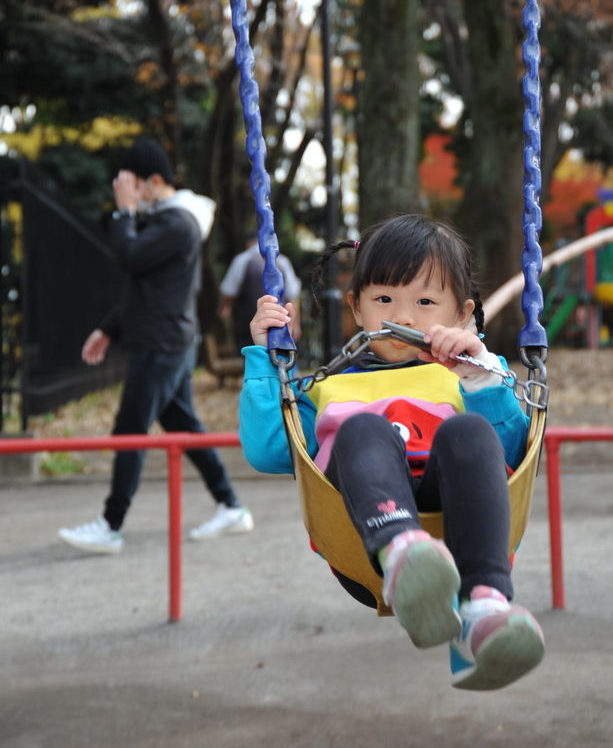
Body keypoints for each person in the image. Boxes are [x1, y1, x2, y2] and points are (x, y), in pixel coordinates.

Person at [238, 214, 544, 692]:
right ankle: (406, 557)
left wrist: (481, 369)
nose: (402, 317)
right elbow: (268, 449)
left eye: (425, 301)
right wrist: (266, 358)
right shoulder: (330, 386)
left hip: (455, 521)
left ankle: (484, 607)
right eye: (384, 299)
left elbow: (513, 454)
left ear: (461, 314)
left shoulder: (475, 377)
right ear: (357, 308)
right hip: (364, 541)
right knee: (363, 428)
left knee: (470, 434)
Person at [58, 136, 253, 555]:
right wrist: (109, 328)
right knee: (184, 428)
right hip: (165, 341)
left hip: (162, 345)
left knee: (130, 430)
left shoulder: (177, 223)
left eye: (131, 183)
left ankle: (110, 525)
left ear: (154, 180)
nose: (126, 192)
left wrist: (122, 210)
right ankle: (231, 505)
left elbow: (127, 255)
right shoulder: (169, 222)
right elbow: (145, 285)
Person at [219, 233, 302, 350]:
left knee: (250, 356)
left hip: (247, 324)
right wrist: (296, 324)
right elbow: (293, 296)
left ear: (248, 243)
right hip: (279, 323)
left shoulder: (242, 260)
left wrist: (225, 310)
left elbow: (229, 292)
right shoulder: (283, 261)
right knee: (281, 357)